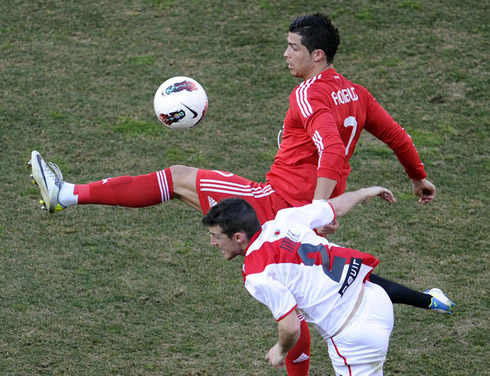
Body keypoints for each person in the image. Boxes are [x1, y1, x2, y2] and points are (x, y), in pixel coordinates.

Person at [28, 13, 451, 376]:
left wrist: (319, 206)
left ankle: (63, 193)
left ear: (316, 55)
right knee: (305, 302)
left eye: (292, 48)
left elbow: (332, 149)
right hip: (301, 215)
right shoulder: (355, 94)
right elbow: (395, 135)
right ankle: (429, 302)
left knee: (178, 178)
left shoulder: (307, 94)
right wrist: (418, 177)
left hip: (274, 204)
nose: (286, 54)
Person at [200, 190, 435, 375]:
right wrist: (367, 190)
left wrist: (280, 351)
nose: (212, 243)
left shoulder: (256, 273)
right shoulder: (286, 218)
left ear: (238, 237)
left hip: (354, 336)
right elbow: (338, 207)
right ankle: (434, 300)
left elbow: (291, 326)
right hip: (376, 298)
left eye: (216, 236)